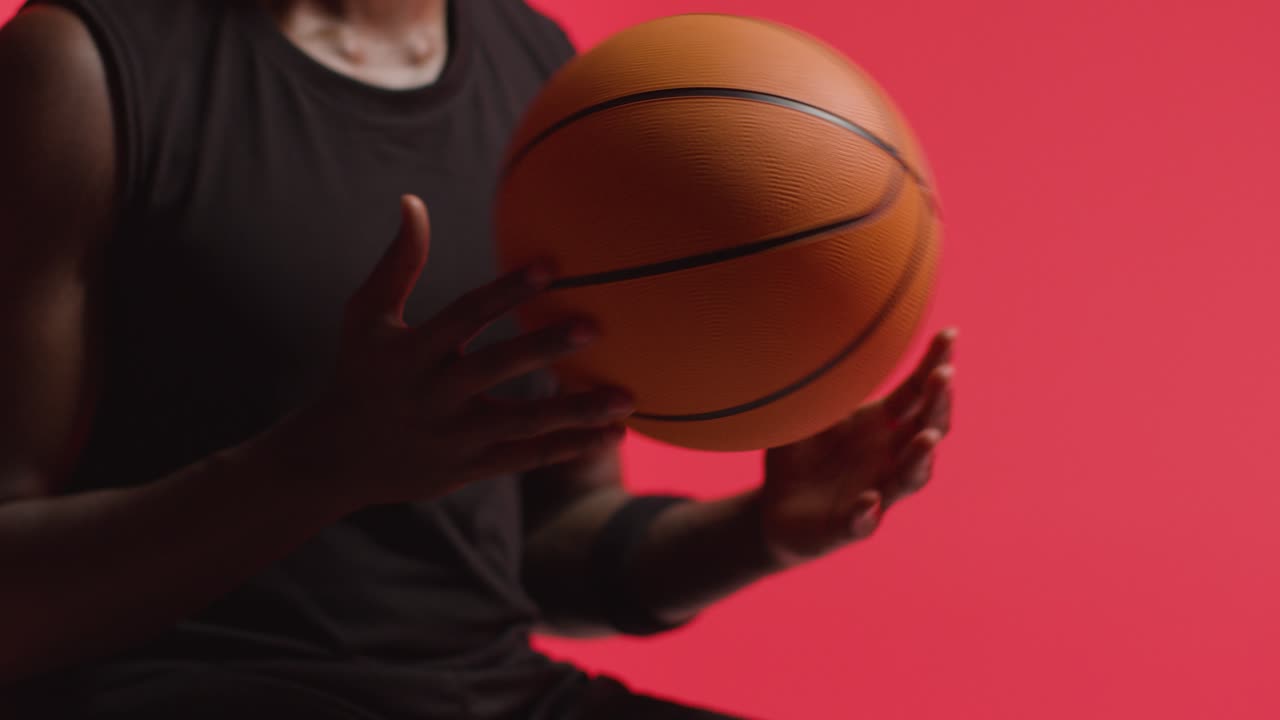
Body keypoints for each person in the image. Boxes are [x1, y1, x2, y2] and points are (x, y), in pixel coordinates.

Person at [0, 0, 956, 717]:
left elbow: (547, 544)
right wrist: (318, 466)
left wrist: (759, 533)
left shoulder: (557, 85)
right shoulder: (82, 70)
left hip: (493, 694)